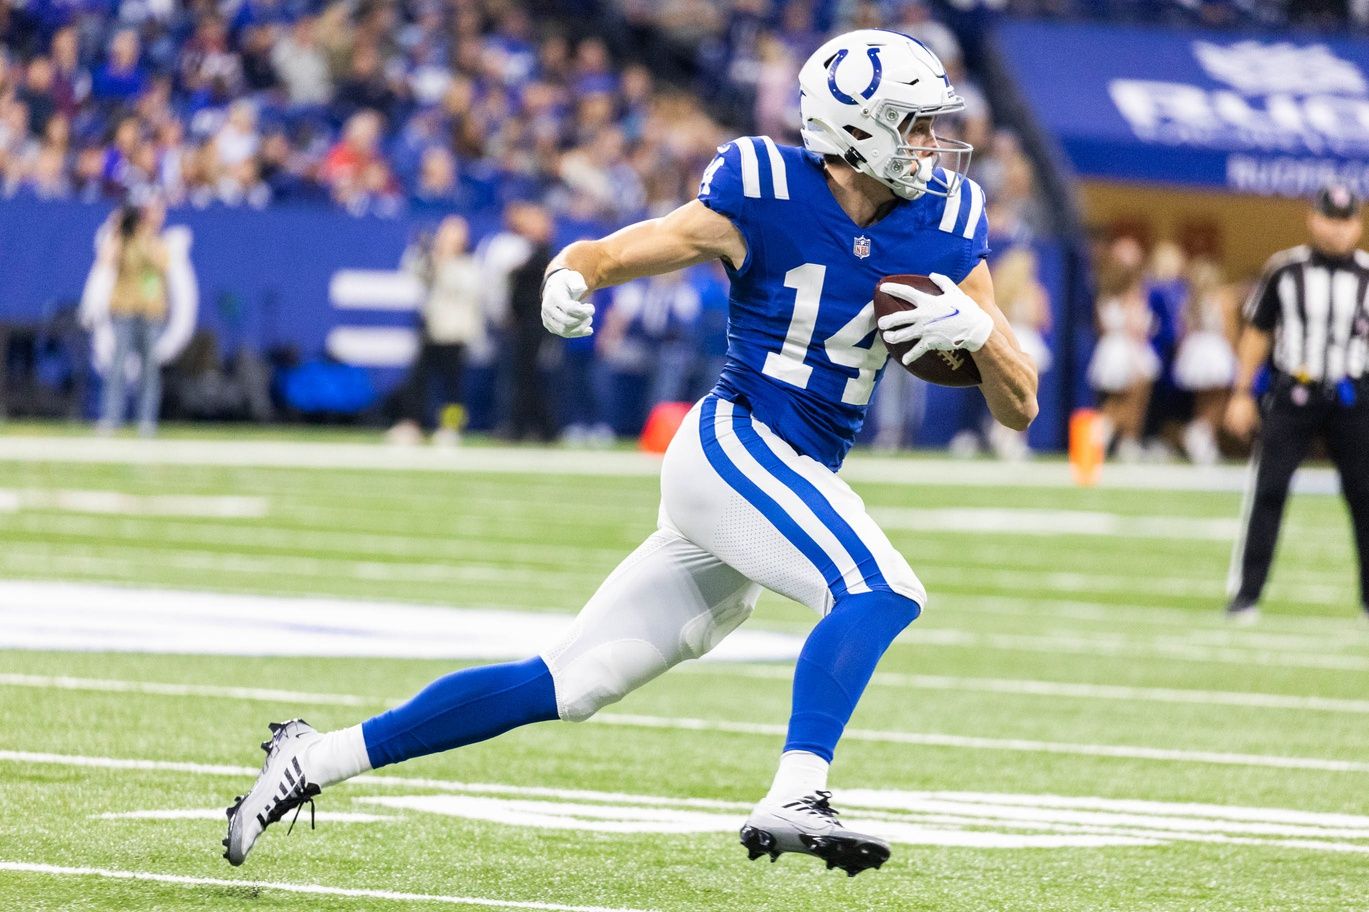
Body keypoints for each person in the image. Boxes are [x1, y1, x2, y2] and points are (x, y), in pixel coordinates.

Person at [222, 30, 1037, 877]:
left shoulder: (945, 223)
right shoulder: (762, 190)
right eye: (911, 125)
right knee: (878, 588)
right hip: (735, 443)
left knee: (569, 682)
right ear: (855, 129)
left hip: (784, 477)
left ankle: (314, 758)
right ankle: (797, 790)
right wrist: (567, 279)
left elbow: (1020, 407)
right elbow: (611, 252)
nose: (930, 144)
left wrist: (982, 336)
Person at [1224, 182, 1369, 623]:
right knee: (1268, 491)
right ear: (1312, 218)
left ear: (1359, 225)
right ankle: (1246, 595)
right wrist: (1242, 392)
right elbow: (1257, 332)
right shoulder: (1285, 270)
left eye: (1347, 221)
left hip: (1353, 394)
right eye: (1330, 218)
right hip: (1295, 391)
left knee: (1365, 497)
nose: (1338, 230)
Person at [387, 216, 484, 446]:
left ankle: (451, 427)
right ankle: (411, 424)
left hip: (455, 333)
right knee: (418, 380)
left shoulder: (469, 264)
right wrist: (420, 250)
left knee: (452, 385)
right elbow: (410, 270)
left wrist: (443, 260)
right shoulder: (433, 258)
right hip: (431, 329)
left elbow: (461, 287)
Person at [95, 201, 170, 436]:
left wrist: (145, 235)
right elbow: (105, 260)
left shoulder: (157, 241)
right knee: (117, 366)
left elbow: (162, 263)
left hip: (150, 310)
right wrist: (116, 229)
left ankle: (146, 421)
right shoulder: (123, 240)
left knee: (149, 367)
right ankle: (110, 417)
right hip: (124, 308)